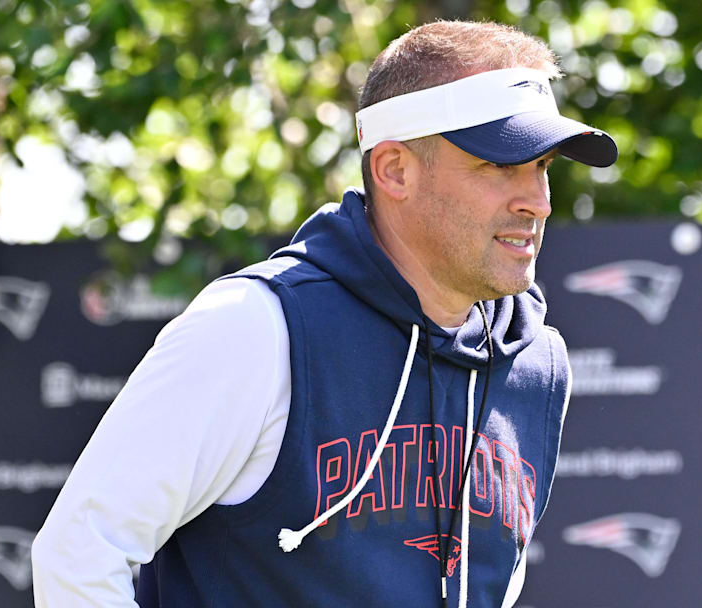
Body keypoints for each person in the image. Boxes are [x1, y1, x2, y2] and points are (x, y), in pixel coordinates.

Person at [32, 20, 617, 608]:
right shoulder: (257, 325)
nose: (537, 201)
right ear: (394, 170)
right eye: (499, 166)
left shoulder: (535, 363)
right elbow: (79, 556)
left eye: (542, 167)